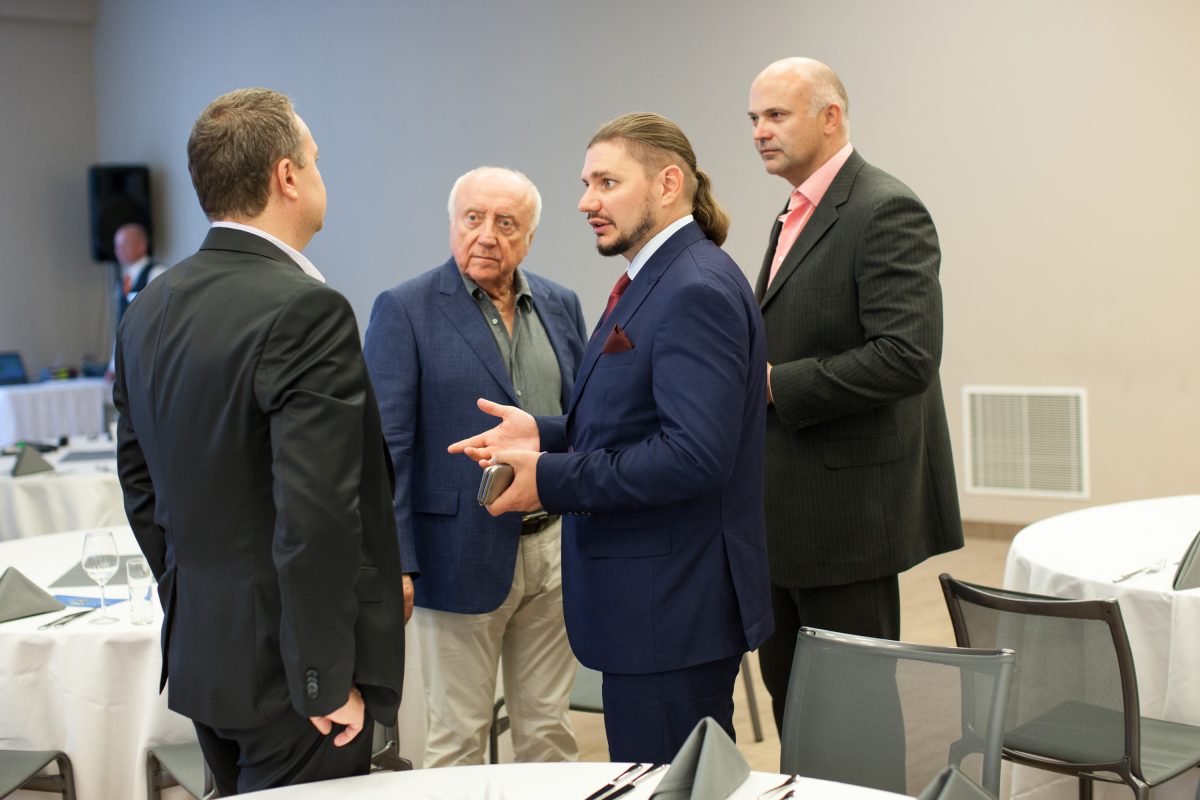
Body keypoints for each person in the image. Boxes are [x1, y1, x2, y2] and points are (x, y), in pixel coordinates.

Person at [449, 113, 772, 764]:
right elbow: (636, 419)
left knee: (670, 784)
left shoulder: (692, 287)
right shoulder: (658, 278)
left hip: (670, 606)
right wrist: (543, 433)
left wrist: (548, 479)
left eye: (606, 182)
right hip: (654, 604)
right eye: (585, 184)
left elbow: (693, 456)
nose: (586, 202)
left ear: (668, 184)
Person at [112, 88, 408, 795]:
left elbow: (140, 485)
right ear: (287, 176)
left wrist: (198, 600)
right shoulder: (306, 309)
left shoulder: (148, 307)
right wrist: (324, 677)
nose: (319, 174)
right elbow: (317, 514)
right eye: (315, 159)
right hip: (295, 681)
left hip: (204, 656)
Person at [747, 57, 963, 730]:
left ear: (830, 117)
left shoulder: (884, 207)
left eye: (776, 115)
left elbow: (906, 357)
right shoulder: (794, 212)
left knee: (853, 719)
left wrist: (776, 385)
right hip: (783, 511)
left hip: (846, 518)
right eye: (753, 119)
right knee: (795, 704)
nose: (759, 132)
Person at [363, 166, 586, 766]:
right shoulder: (405, 309)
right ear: (453, 224)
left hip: (553, 550)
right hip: (453, 555)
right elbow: (387, 450)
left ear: (529, 237)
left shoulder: (560, 306)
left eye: (505, 222)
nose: (487, 234)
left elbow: (584, 423)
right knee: (458, 736)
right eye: (473, 218)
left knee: (548, 730)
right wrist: (397, 562)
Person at [114, 222, 165, 319]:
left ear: (142, 245)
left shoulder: (156, 272)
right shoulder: (123, 280)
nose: (119, 249)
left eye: (125, 244)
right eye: (117, 245)